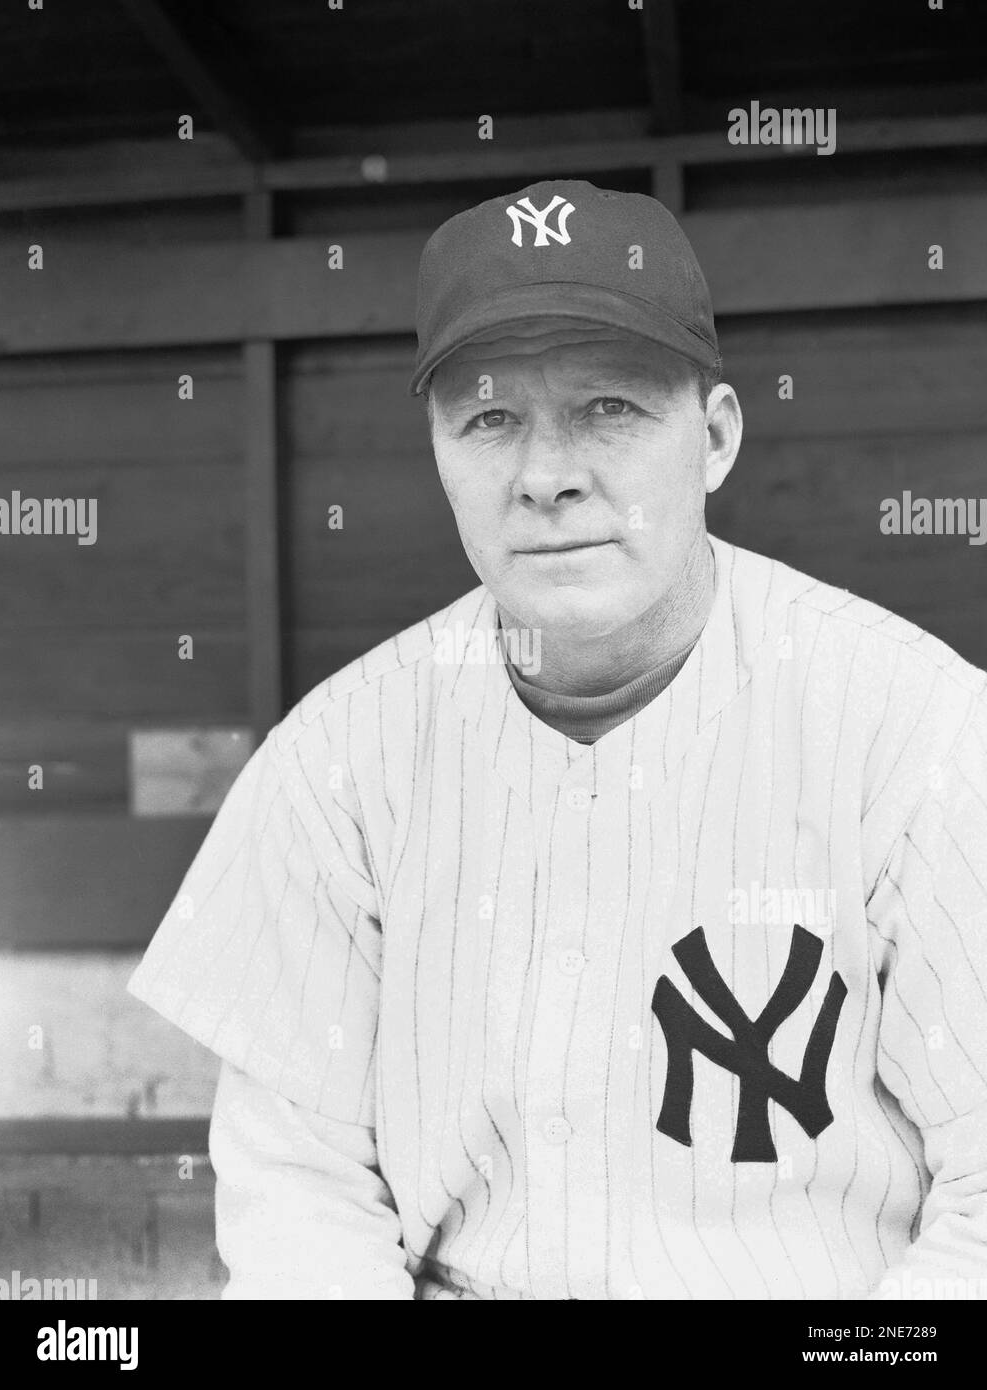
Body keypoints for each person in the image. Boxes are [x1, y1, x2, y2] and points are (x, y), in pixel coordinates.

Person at [127, 180, 987, 1300]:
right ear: (437, 448)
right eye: (489, 418)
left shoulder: (914, 725)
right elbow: (300, 1198)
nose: (546, 475)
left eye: (610, 407)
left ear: (715, 436)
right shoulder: (335, 762)